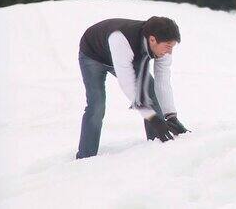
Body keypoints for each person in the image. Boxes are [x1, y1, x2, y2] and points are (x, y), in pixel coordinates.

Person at [76, 16, 189, 159]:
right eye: (168, 46)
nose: (170, 52)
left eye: (172, 47)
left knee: (150, 90)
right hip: (93, 56)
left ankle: (158, 145)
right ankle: (85, 157)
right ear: (152, 39)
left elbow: (162, 81)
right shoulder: (121, 39)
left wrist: (170, 116)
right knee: (96, 105)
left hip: (126, 59)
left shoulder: (163, 47)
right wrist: (152, 118)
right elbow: (129, 85)